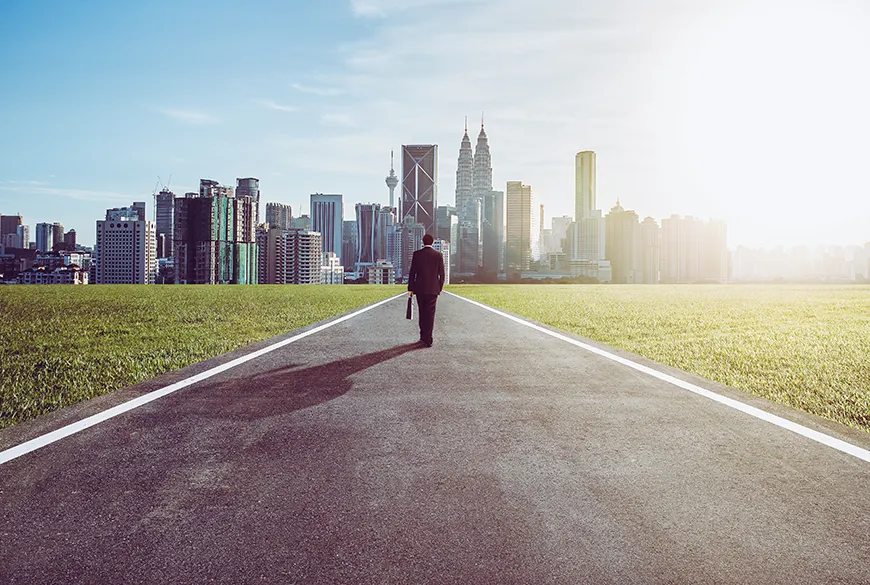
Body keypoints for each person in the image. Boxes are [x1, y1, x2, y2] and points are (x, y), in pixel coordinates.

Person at [407, 233, 445, 347]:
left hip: (419, 288)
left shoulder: (416, 254)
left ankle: (423, 336)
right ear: (432, 242)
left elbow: (412, 273)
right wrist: (439, 287)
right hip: (433, 289)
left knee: (422, 312)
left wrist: (410, 288)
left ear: (423, 242)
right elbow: (442, 274)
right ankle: (428, 338)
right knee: (430, 314)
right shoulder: (438, 255)